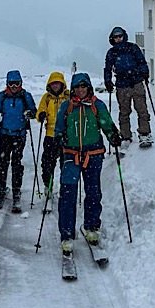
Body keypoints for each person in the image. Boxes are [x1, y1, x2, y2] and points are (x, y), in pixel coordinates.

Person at [53, 72, 121, 250]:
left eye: (83, 86)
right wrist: (58, 139)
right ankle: (66, 234)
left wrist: (113, 135)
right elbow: (59, 127)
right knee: (68, 194)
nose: (80, 90)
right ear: (73, 89)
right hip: (71, 155)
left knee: (93, 192)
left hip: (93, 155)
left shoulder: (97, 105)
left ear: (88, 87)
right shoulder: (66, 107)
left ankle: (92, 227)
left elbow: (106, 123)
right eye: (77, 87)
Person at [0, 70, 37, 211]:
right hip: (5, 134)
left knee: (16, 164)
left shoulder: (26, 96)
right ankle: (2, 190)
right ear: (7, 83)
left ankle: (16, 192)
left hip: (19, 135)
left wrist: (30, 113)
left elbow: (34, 111)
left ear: (21, 83)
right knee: (2, 163)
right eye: (11, 83)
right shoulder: (2, 96)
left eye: (17, 83)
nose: (14, 86)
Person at [103, 27, 152, 149]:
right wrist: (107, 81)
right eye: (116, 37)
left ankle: (144, 133)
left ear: (124, 36)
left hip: (136, 82)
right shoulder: (112, 52)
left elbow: (142, 62)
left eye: (120, 36)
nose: (118, 39)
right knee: (124, 112)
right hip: (122, 85)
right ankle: (125, 136)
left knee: (141, 109)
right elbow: (107, 68)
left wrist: (144, 73)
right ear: (113, 38)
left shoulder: (132, 48)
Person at [35, 72, 68, 196]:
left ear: (62, 84)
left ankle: (65, 187)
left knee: (66, 164)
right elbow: (39, 112)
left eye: (57, 83)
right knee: (47, 164)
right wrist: (41, 115)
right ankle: (48, 185)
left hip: (65, 136)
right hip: (50, 135)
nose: (55, 85)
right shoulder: (46, 98)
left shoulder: (68, 97)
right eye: (53, 83)